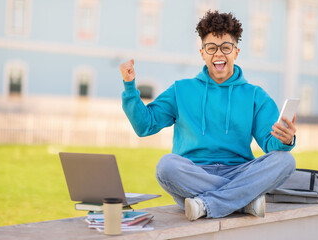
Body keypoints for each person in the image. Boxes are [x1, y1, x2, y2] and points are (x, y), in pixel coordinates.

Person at [119, 10, 297, 221]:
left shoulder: (256, 95)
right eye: (211, 48)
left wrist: (286, 140)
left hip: (239, 172)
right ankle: (242, 200)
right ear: (202, 53)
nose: (218, 54)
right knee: (166, 166)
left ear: (236, 52)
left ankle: (208, 204)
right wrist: (130, 88)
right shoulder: (181, 90)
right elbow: (144, 126)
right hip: (194, 175)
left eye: (226, 48)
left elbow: (271, 145)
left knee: (285, 160)